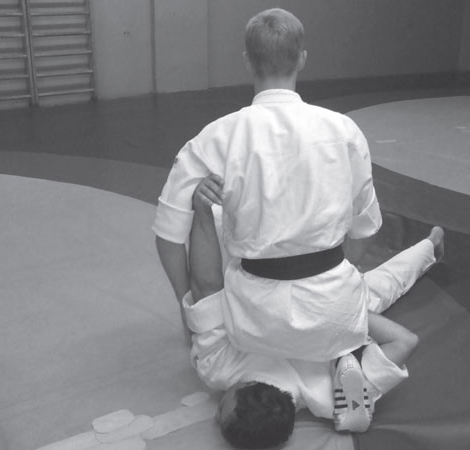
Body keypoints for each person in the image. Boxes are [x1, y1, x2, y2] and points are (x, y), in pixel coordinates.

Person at [154, 7, 413, 365]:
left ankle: (426, 250)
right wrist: (329, 272)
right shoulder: (344, 131)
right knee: (379, 285)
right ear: (302, 59)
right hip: (335, 315)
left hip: (253, 326)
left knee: (209, 212)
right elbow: (367, 226)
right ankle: (426, 251)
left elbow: (168, 236)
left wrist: (189, 308)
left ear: (248, 61)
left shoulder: (215, 138)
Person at [183, 176, 444, 448]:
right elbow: (206, 287)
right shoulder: (218, 367)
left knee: (382, 287)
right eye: (222, 411)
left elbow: (405, 341)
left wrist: (346, 316)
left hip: (324, 294)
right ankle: (359, 201)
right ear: (243, 389)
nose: (215, 414)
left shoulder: (328, 399)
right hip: (274, 271)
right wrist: (202, 208)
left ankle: (428, 245)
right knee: (231, 218)